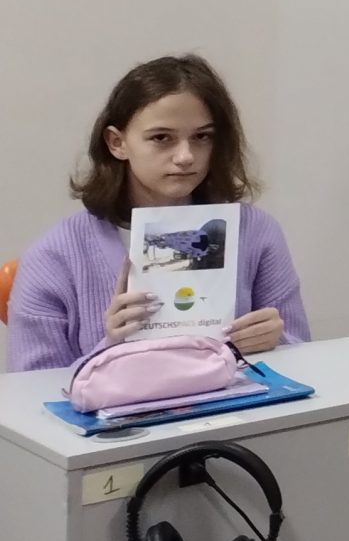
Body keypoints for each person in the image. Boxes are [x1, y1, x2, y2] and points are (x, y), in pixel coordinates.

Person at [8, 56, 311, 373]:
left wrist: (276, 341)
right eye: (161, 138)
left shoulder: (256, 232)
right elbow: (31, 391)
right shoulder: (53, 257)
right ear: (117, 143)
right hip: (119, 408)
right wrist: (110, 347)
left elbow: (302, 356)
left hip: (233, 404)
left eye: (202, 137)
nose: (185, 156)